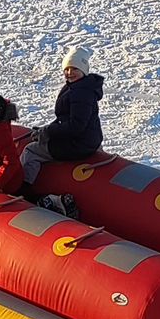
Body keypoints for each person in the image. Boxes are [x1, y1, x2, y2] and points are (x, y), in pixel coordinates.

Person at [19, 47, 104, 218]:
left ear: (84, 70)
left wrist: (48, 133)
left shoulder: (80, 92)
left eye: (74, 69)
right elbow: (66, 119)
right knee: (39, 140)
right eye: (66, 69)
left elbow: (75, 126)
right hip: (88, 140)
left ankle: (23, 191)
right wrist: (47, 129)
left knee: (31, 151)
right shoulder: (81, 88)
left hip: (78, 144)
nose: (69, 73)